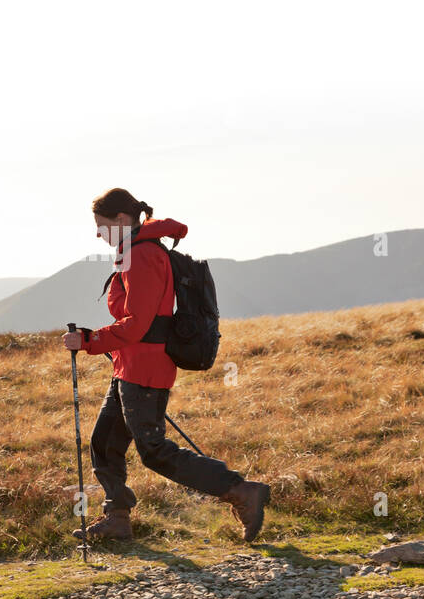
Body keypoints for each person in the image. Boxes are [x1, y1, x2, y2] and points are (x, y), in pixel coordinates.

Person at [61, 187, 270, 541]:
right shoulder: (136, 251)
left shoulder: (141, 256)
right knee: (104, 442)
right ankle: (118, 519)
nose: (98, 233)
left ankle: (240, 490)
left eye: (102, 226)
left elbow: (138, 324)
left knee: (154, 451)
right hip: (130, 367)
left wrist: (89, 341)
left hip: (144, 369)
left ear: (122, 220)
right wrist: (97, 342)